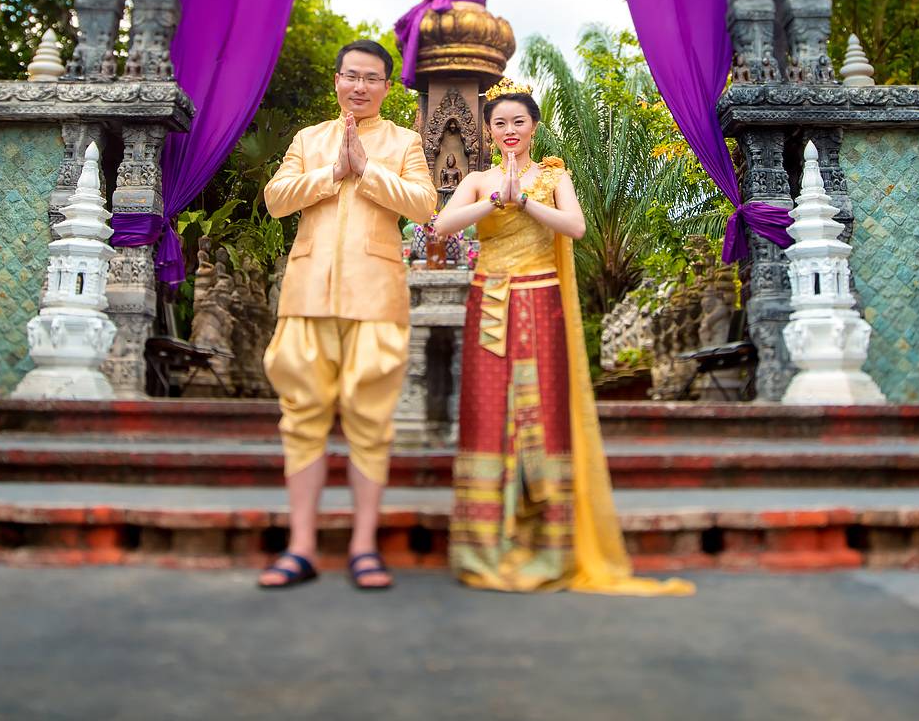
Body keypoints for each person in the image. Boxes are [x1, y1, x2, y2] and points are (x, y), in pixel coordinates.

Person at [431, 76, 693, 596]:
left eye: (518, 121)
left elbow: (575, 227)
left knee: (544, 411)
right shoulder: (479, 180)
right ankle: (485, 545)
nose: (509, 130)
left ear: (534, 127)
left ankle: (548, 546)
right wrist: (495, 201)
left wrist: (526, 202)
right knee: (487, 411)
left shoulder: (554, 176)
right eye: (500, 123)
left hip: (541, 300)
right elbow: (442, 226)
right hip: (491, 300)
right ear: (488, 130)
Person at [258, 40, 437, 590]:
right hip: (308, 292)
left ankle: (363, 548)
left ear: (387, 87)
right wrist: (333, 172)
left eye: (371, 78)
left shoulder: (405, 142)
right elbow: (276, 199)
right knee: (301, 418)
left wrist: (368, 170)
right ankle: (301, 547)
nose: (360, 86)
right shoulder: (308, 140)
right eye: (351, 76)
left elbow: (425, 205)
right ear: (337, 80)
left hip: (375, 296)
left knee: (370, 421)